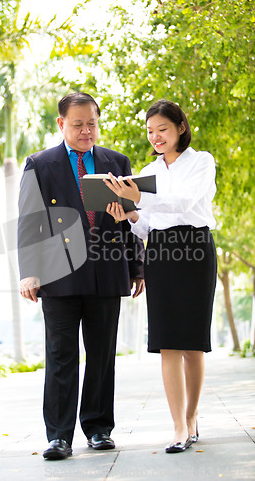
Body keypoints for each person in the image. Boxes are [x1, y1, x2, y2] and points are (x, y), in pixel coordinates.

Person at [18, 92, 145, 460]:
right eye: (78, 124)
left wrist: (137, 269)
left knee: (102, 355)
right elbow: (29, 222)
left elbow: (128, 220)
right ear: (61, 124)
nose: (86, 130)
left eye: (91, 123)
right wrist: (30, 273)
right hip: (58, 278)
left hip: (107, 273)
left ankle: (99, 429)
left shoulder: (117, 162)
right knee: (61, 355)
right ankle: (59, 436)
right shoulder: (39, 164)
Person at [104, 99, 217, 454]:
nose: (156, 137)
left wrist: (141, 197)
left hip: (196, 246)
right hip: (162, 251)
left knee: (192, 343)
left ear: (181, 126)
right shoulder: (147, 171)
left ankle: (193, 416)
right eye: (151, 131)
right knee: (167, 341)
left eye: (162, 129)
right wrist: (131, 215)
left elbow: (186, 202)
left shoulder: (202, 161)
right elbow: (150, 225)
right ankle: (179, 428)